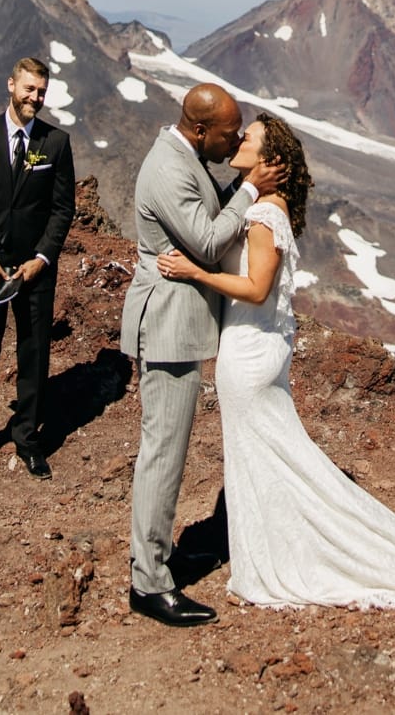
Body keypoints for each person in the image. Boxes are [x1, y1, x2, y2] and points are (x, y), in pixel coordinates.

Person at [158, 113, 395, 608]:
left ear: (270, 159)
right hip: (254, 348)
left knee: (264, 456)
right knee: (271, 457)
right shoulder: (258, 204)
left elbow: (255, 288)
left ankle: (288, 552)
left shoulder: (265, 215)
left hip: (248, 354)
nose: (241, 139)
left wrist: (193, 273)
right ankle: (280, 539)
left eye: (252, 138)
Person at [120, 83, 284, 627]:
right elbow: (208, 241)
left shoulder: (185, 156)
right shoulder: (168, 168)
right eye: (227, 133)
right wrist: (249, 191)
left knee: (167, 449)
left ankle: (157, 556)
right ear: (198, 130)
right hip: (167, 327)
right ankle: (149, 584)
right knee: (162, 452)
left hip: (181, 325)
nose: (233, 139)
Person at [0, 56, 76, 479]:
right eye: (28, 89)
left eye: (41, 91)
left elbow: (62, 209)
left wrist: (41, 259)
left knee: (34, 353)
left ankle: (27, 436)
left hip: (33, 271)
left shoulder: (55, 143)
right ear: (11, 85)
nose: (35, 98)